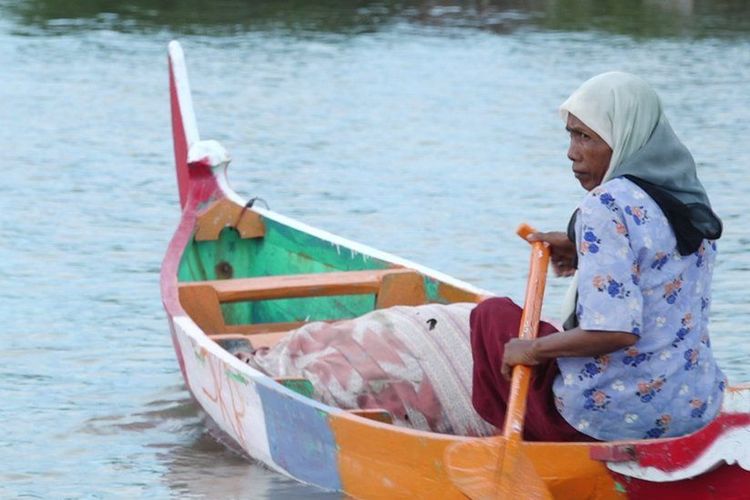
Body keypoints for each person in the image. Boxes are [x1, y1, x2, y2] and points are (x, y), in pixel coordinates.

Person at [470, 72, 726, 442]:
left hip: (613, 419)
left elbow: (615, 330)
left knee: (492, 316)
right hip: (694, 409)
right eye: (571, 135)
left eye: (586, 137)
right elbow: (658, 265)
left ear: (624, 139)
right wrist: (581, 248)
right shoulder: (688, 202)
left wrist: (533, 349)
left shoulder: (605, 205)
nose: (572, 152)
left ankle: (532, 440)